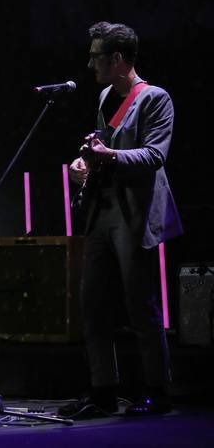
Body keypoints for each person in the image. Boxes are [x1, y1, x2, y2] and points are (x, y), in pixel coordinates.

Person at [61, 21, 183, 418]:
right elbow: (102, 148)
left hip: (135, 213)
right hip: (101, 212)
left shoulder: (155, 99)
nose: (90, 63)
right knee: (92, 303)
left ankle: (156, 392)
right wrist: (85, 163)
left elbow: (154, 156)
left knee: (140, 305)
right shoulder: (102, 98)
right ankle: (103, 391)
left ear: (117, 59)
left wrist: (107, 157)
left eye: (96, 56)